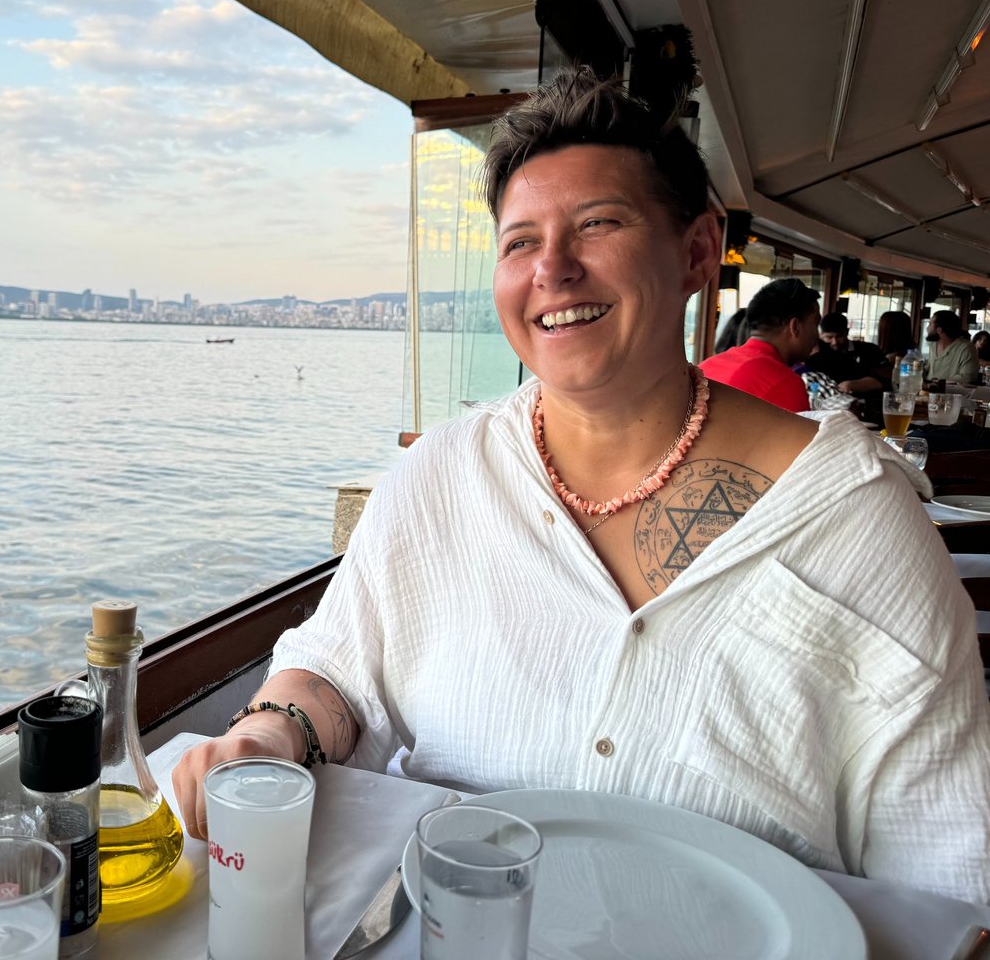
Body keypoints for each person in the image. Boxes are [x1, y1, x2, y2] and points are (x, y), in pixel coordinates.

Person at [172, 69, 990, 904]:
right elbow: (337, 672)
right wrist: (268, 734)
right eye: (520, 241)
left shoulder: (859, 524)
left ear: (696, 253)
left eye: (598, 223)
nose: (552, 269)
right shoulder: (441, 478)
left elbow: (953, 882)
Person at [698, 279, 821, 412]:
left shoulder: (706, 366)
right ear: (795, 327)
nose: (817, 334)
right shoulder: (783, 383)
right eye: (816, 324)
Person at [805, 311, 889, 422]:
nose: (834, 342)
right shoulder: (815, 360)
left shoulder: (868, 350)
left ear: (847, 332)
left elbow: (881, 380)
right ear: (820, 336)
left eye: (839, 336)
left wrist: (851, 385)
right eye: (829, 337)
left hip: (869, 410)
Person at [926, 310, 979, 385]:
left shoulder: (966, 349)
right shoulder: (933, 345)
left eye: (930, 324)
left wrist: (938, 383)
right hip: (926, 391)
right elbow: (929, 370)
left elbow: (967, 378)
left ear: (939, 330)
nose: (927, 328)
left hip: (950, 392)